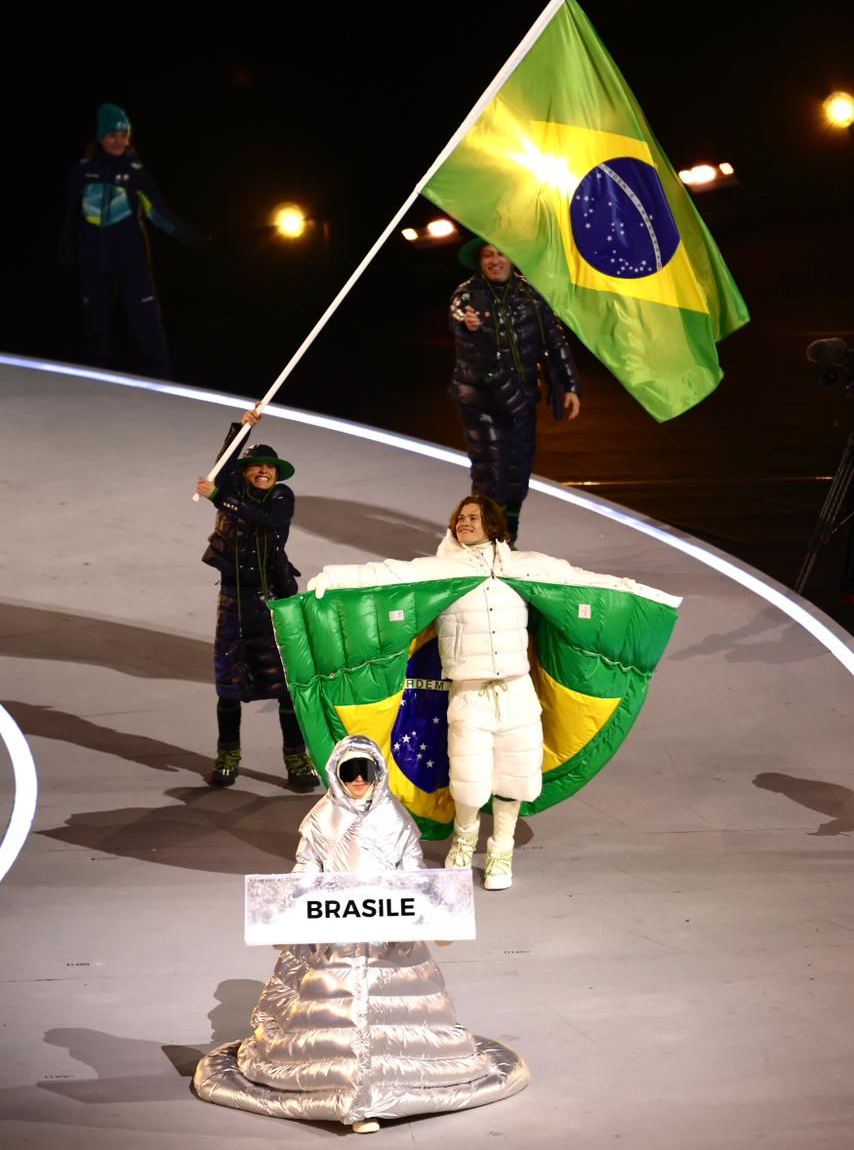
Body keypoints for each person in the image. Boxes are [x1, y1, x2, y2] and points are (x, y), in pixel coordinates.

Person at [307, 495, 680, 890]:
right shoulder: (441, 571)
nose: (465, 523)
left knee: (514, 777)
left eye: (474, 517)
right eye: (460, 518)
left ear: (494, 524)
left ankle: (502, 851)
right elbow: (386, 576)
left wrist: (639, 595)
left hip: (517, 692)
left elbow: (581, 582)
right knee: (467, 780)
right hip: (469, 694)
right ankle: (463, 842)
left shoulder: (523, 567)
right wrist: (331, 578)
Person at [193, 735, 529, 1133]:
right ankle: (346, 1091)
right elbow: (307, 867)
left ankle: (385, 1087)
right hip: (333, 933)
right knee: (335, 1008)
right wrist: (288, 910)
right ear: (336, 774)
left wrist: (433, 912)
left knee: (395, 1011)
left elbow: (413, 870)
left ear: (378, 774)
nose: (357, 780)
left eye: (365, 772)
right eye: (349, 771)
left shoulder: (396, 818)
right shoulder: (322, 818)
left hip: (389, 935)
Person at [195, 408, 318, 792]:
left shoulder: (281, 497)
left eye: (270, 468)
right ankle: (227, 755)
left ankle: (296, 758)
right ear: (245, 472)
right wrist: (242, 428)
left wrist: (220, 497)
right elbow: (223, 467)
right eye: (256, 466)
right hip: (233, 601)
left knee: (285, 685)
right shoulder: (230, 489)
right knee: (228, 685)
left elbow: (264, 519)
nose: (264, 471)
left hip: (273, 602)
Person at [59, 102, 208, 379]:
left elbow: (157, 212)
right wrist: (66, 244)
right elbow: (71, 212)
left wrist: (188, 235)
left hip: (131, 261)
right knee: (95, 327)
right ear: (100, 136)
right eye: (112, 135)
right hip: (93, 262)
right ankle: (95, 379)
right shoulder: (82, 171)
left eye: (123, 135)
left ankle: (161, 380)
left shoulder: (135, 171)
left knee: (146, 324)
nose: (119, 141)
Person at [449, 237, 581, 544]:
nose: (495, 260)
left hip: (521, 398)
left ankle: (507, 538)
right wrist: (467, 323)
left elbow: (555, 340)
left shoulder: (531, 295)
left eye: (501, 253)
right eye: (488, 255)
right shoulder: (467, 295)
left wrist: (570, 385)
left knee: (518, 474)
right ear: (480, 261)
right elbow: (459, 315)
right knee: (491, 473)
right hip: (481, 399)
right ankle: (486, 542)